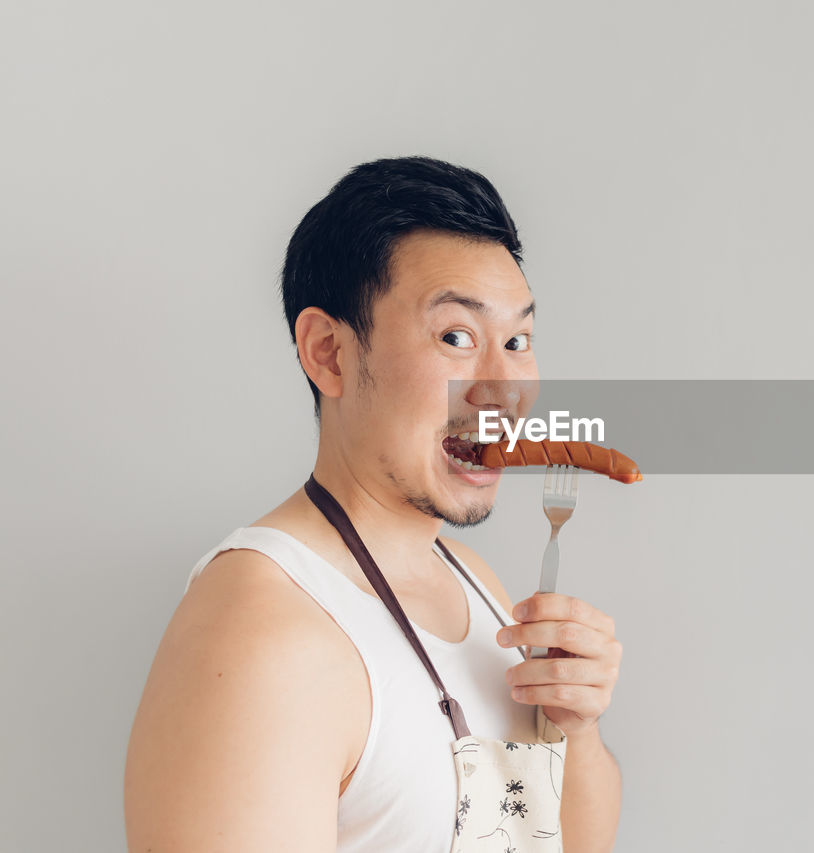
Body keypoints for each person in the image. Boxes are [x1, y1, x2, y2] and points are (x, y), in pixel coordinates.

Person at [124, 157, 624, 852]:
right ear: (328, 353)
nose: (504, 386)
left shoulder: (476, 584)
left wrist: (578, 725)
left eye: (517, 341)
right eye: (456, 337)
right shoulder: (261, 634)